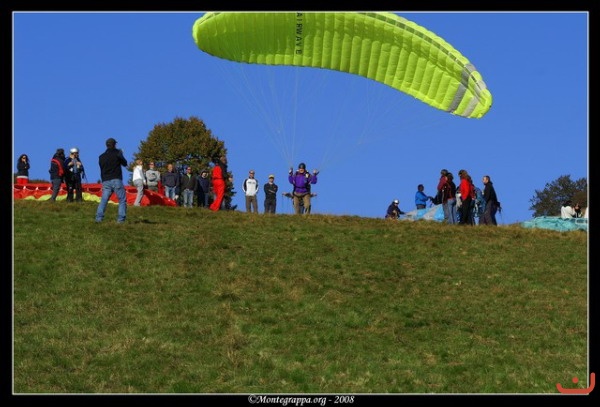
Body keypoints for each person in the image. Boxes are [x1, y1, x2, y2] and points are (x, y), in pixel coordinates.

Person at [95, 138, 128, 223]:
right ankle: (121, 220)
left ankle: (98, 218)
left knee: (104, 200)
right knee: (122, 200)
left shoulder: (101, 157)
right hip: (116, 178)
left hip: (105, 180)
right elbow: (125, 163)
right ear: (114, 145)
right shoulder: (117, 153)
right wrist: (121, 154)